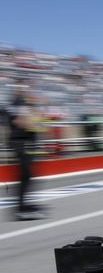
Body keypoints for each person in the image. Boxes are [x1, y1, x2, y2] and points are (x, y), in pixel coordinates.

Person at [6, 83, 47, 220]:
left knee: (27, 176)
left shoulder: (21, 104)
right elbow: (22, 122)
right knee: (25, 176)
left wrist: (35, 118)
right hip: (21, 143)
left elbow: (33, 122)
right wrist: (35, 121)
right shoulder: (19, 104)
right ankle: (20, 209)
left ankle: (23, 206)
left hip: (25, 143)